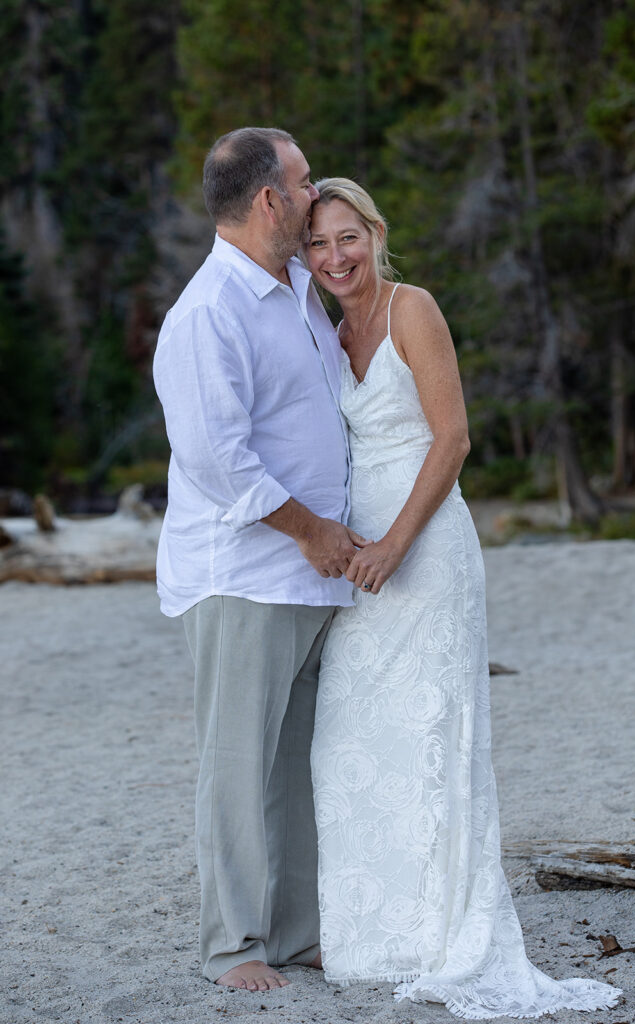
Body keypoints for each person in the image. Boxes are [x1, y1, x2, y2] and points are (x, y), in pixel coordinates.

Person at [306, 178, 621, 1018]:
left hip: (424, 548)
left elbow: (452, 437)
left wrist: (395, 545)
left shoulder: (414, 308)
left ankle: (445, 932)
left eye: (347, 237)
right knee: (353, 735)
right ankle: (376, 934)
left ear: (374, 233)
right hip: (357, 562)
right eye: (316, 244)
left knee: (435, 734)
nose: (335, 257)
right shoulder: (331, 333)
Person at [153, 131, 367, 993]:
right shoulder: (209, 312)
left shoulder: (294, 292)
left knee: (295, 768)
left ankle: (295, 932)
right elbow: (219, 459)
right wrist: (314, 530)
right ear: (271, 200)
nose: (315, 193)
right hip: (243, 575)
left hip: (312, 578)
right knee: (237, 767)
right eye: (305, 180)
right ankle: (232, 946)